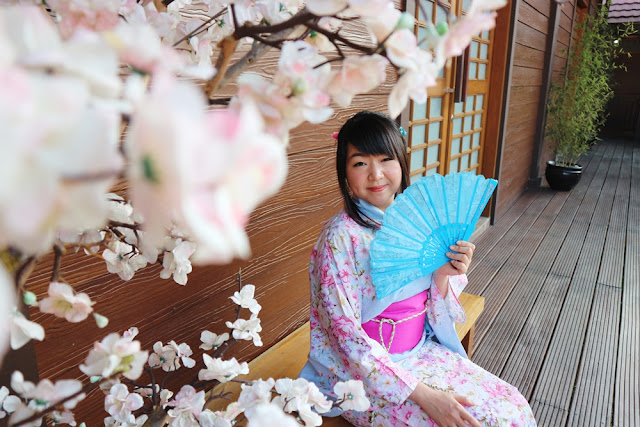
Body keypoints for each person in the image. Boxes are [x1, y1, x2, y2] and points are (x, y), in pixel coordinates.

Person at [299, 111, 536, 426]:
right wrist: (426, 396)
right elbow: (344, 336)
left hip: (422, 350)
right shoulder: (340, 237)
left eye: (386, 160)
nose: (376, 174)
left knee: (512, 409)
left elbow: (430, 307)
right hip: (363, 377)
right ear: (344, 172)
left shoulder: (416, 220)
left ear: (401, 163)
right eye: (360, 163)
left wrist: (443, 274)